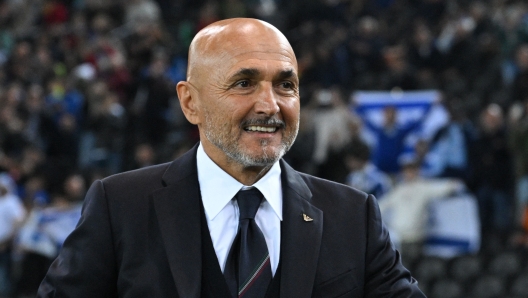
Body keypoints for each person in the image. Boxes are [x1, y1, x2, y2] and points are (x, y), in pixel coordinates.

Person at [37, 18, 425, 297]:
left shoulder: (353, 215)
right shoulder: (118, 206)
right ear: (191, 102)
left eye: (286, 85)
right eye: (244, 83)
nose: (270, 105)